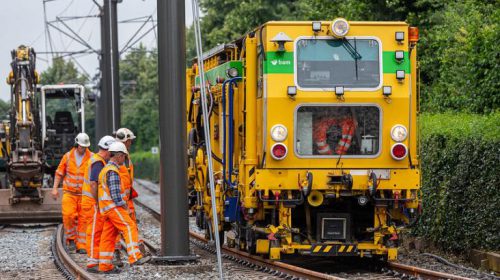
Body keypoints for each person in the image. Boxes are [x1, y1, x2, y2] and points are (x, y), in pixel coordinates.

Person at [97, 142, 150, 273]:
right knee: (129, 226)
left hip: (106, 208)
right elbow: (115, 194)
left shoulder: (105, 169)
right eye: (124, 157)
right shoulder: (113, 171)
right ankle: (135, 257)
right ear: (119, 156)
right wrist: (124, 205)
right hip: (114, 207)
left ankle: (104, 266)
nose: (124, 159)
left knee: (108, 236)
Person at [51, 132, 92, 253]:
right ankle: (72, 239)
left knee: (84, 219)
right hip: (70, 193)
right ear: (76, 144)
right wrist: (54, 188)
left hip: (85, 195)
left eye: (85, 147)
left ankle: (82, 245)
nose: (83, 149)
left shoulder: (92, 157)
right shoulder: (68, 157)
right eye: (81, 146)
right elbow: (59, 173)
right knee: (68, 216)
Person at [81, 135, 115, 272]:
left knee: (97, 230)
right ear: (107, 150)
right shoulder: (98, 162)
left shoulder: (96, 160)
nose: (111, 156)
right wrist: (98, 202)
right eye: (111, 153)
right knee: (95, 231)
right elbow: (94, 184)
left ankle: (97, 259)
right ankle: (93, 262)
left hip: (90, 202)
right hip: (92, 203)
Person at [112, 128, 138, 266]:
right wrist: (122, 202)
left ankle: (135, 253)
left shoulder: (124, 156)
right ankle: (119, 255)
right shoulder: (120, 158)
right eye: (130, 141)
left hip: (125, 200)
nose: (131, 143)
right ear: (126, 140)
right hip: (121, 201)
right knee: (121, 228)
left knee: (129, 226)